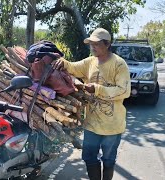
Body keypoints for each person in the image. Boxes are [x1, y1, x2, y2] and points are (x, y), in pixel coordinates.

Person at [53, 28, 131, 180]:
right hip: (92, 124)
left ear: (107, 44)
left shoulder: (119, 65)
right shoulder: (90, 62)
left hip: (112, 125)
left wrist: (96, 88)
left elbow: (124, 91)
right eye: (91, 44)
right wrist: (63, 63)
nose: (92, 47)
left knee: (108, 160)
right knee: (89, 157)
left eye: (96, 44)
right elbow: (73, 67)